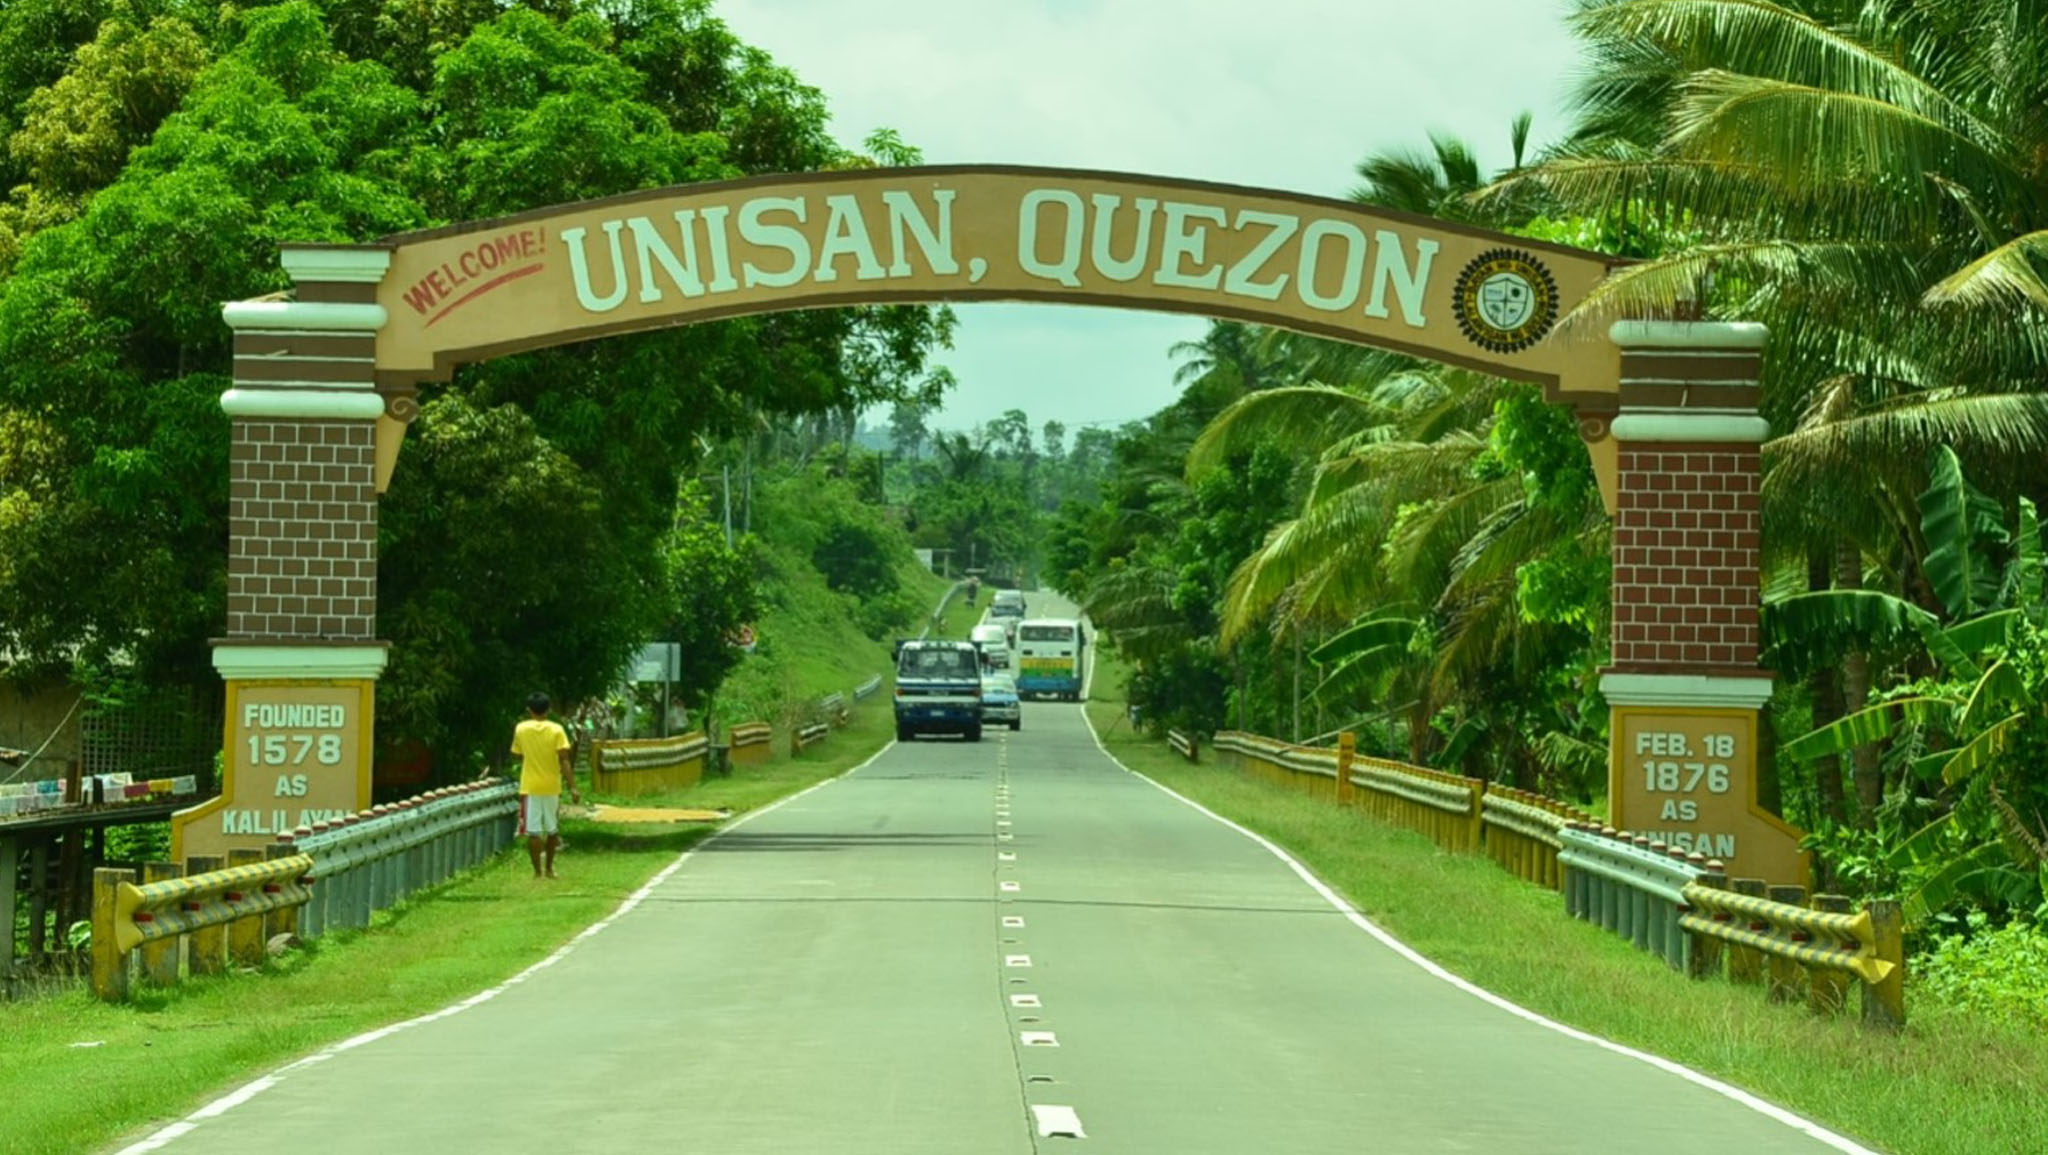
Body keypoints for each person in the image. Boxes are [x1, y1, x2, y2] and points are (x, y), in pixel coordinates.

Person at [502, 692, 579, 880]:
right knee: (552, 829)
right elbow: (564, 760)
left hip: (530, 787)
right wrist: (573, 787)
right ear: (549, 709)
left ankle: (537, 872)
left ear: (529, 710)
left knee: (533, 831)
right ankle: (550, 869)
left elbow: (517, 754)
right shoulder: (557, 730)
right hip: (552, 786)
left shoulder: (521, 728)